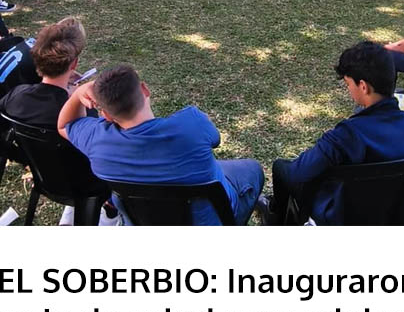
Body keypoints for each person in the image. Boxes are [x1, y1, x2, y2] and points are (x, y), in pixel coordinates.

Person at [57, 63, 264, 226]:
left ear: (106, 115)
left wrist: (77, 93)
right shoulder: (192, 124)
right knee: (252, 169)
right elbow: (215, 139)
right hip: (210, 223)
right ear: (145, 90)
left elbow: (64, 124)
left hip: (142, 224)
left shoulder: (97, 140)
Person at [256, 41, 404, 226]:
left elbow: (299, 172)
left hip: (344, 214)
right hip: (395, 214)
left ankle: (276, 218)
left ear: (363, 86)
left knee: (282, 168)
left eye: (348, 84)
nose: (348, 89)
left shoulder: (348, 134)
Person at [0, 17, 118, 225]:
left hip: (44, 180)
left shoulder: (16, 96)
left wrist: (24, 156)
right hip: (88, 186)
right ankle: (111, 211)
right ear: (73, 63)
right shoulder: (84, 112)